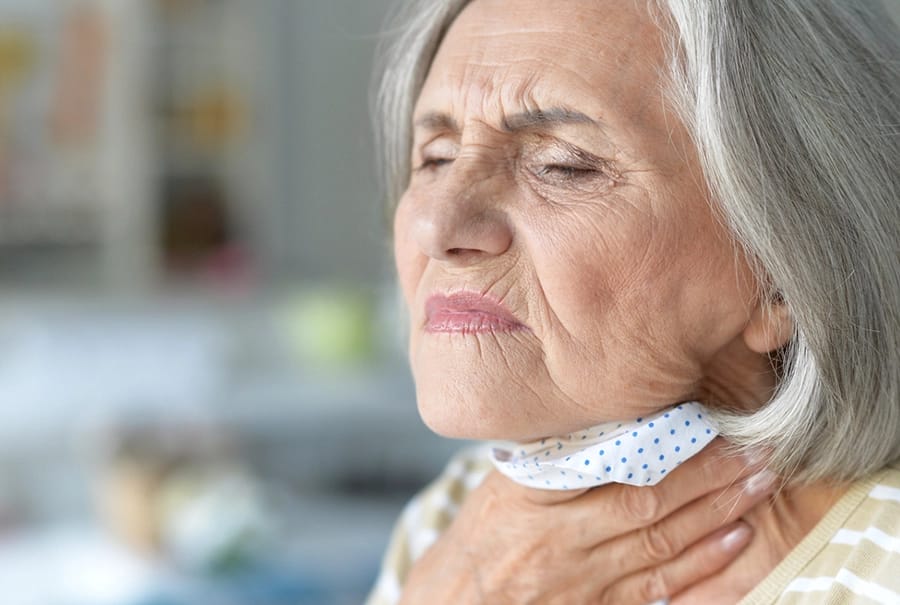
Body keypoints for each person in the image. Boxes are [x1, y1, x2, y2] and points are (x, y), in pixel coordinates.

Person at [366, 0, 900, 603]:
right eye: (435, 157)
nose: (436, 226)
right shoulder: (457, 524)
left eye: (562, 166)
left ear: (782, 272)